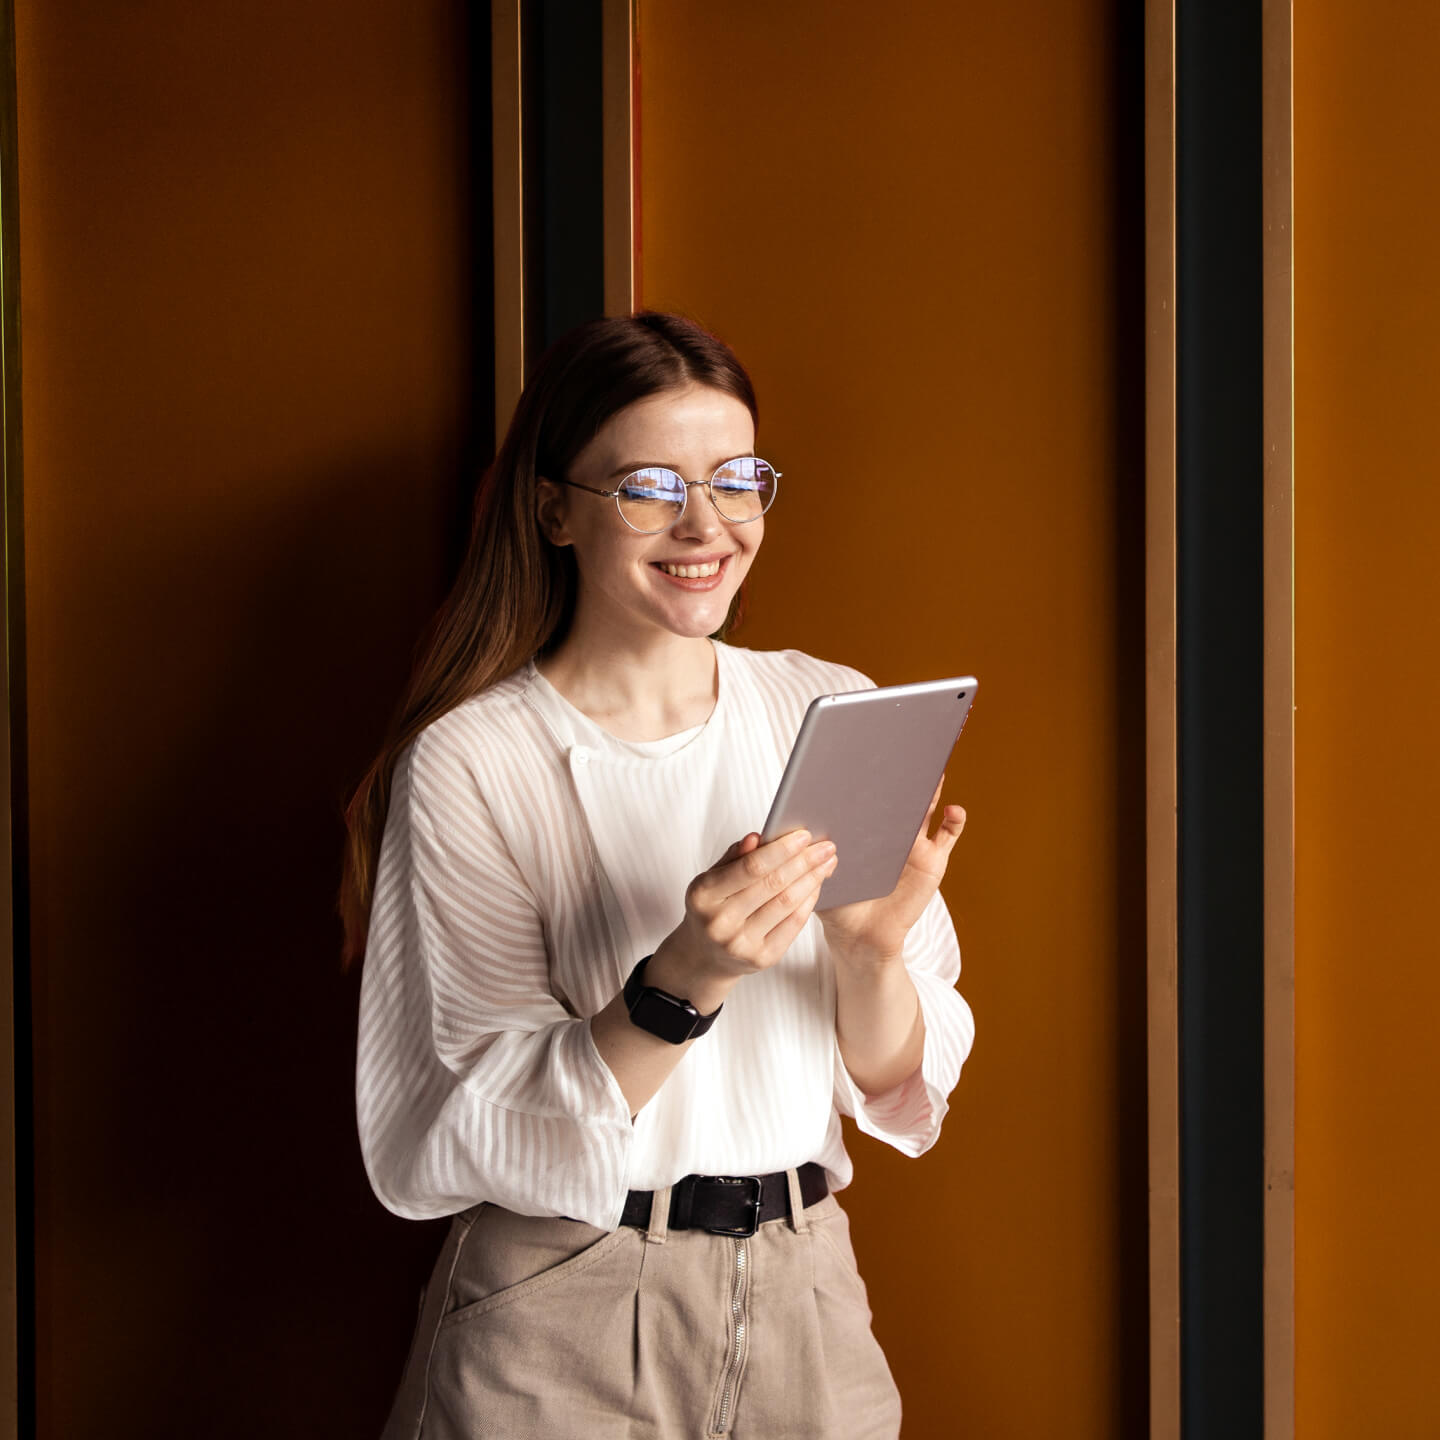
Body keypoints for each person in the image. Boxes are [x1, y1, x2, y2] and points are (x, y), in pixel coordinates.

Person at [341, 311, 975, 1440]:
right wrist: (681, 980)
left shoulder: (820, 704)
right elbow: (463, 1115)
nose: (706, 524)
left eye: (738, 480)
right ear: (554, 511)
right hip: (563, 1296)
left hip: (807, 1292)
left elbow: (898, 1082)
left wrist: (874, 958)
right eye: (648, 485)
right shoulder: (475, 758)